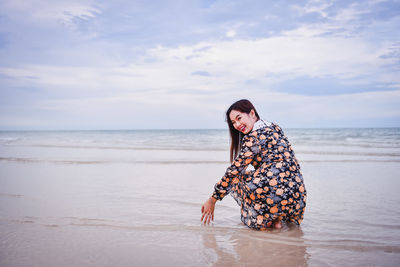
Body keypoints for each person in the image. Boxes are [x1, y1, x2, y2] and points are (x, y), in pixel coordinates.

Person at [201, 99, 307, 230]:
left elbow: (234, 170)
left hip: (274, 194)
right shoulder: (275, 127)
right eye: (233, 122)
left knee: (237, 177)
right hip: (297, 194)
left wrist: (213, 200)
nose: (237, 125)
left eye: (239, 118)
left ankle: (264, 218)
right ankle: (277, 219)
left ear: (252, 113)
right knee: (273, 174)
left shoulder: (253, 137)